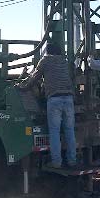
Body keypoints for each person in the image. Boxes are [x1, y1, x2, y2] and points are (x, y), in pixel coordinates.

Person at [20, 41, 77, 169]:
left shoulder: (45, 61)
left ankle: (56, 162)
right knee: (69, 130)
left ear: (47, 52)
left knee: (54, 131)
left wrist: (24, 87)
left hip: (55, 99)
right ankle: (72, 160)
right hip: (69, 98)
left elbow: (35, 77)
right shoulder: (64, 61)